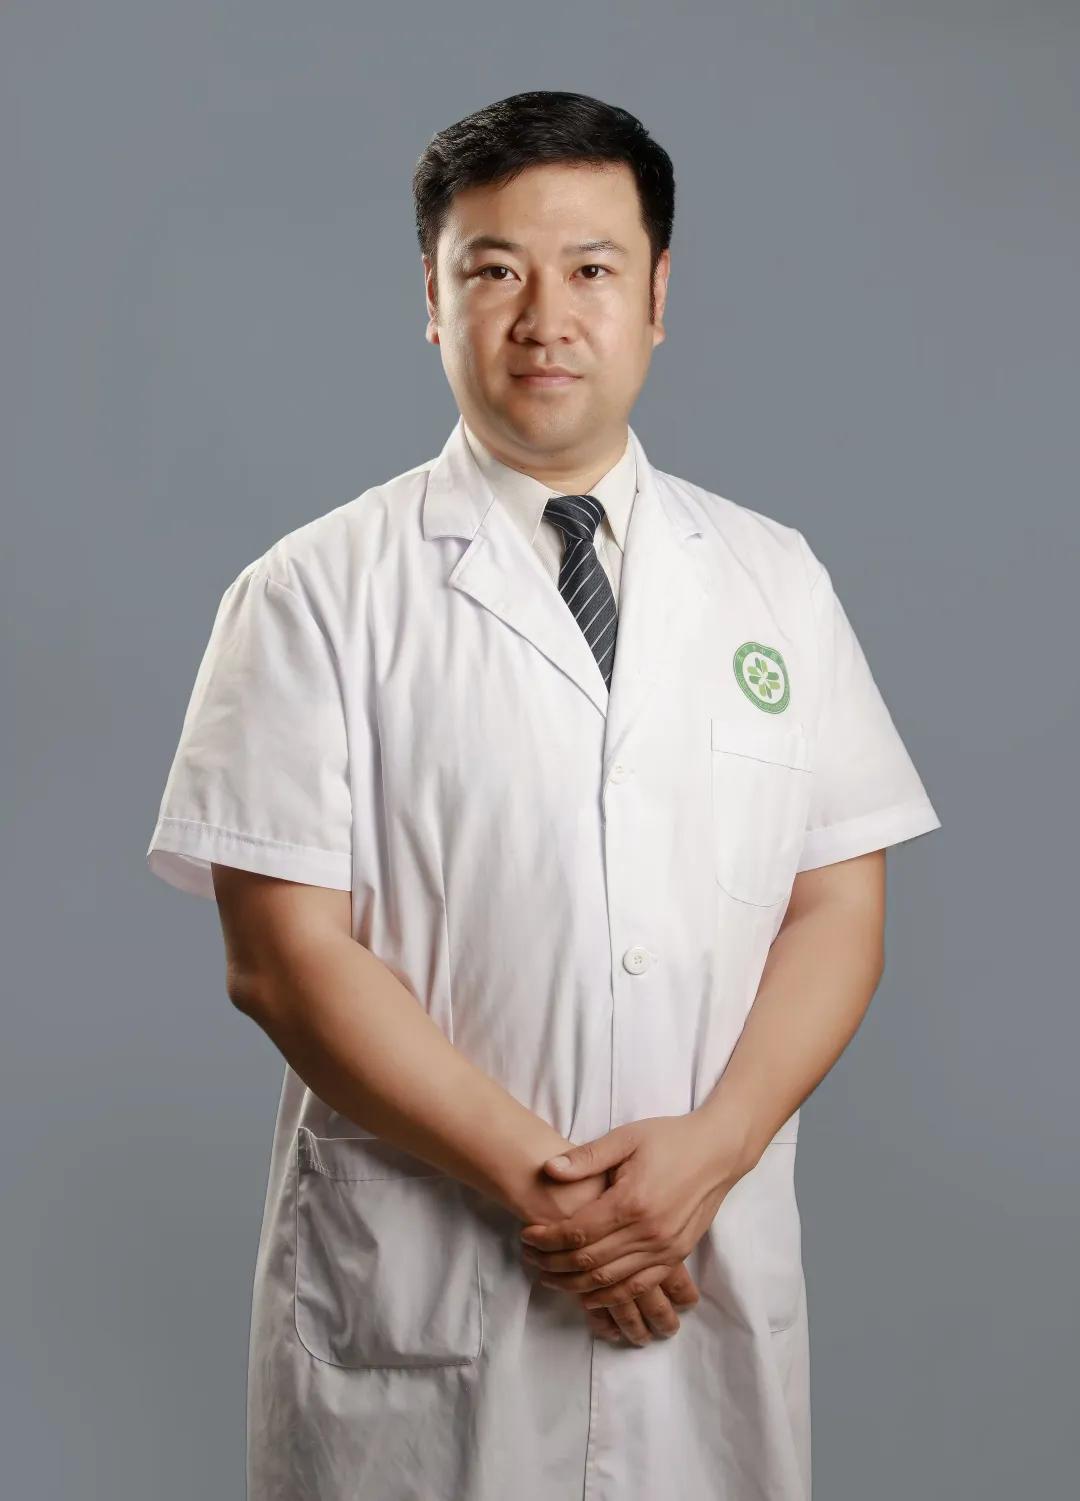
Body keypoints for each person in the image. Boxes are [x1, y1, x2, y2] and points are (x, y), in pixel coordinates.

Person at [145, 89, 942, 1501]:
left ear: (658, 296)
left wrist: (712, 1155)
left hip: (702, 1267)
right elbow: (283, 959)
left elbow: (836, 903)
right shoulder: (313, 593)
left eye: (591, 269)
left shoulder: (776, 579)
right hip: (425, 1298)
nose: (545, 319)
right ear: (432, 299)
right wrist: (560, 1196)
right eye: (495, 271)